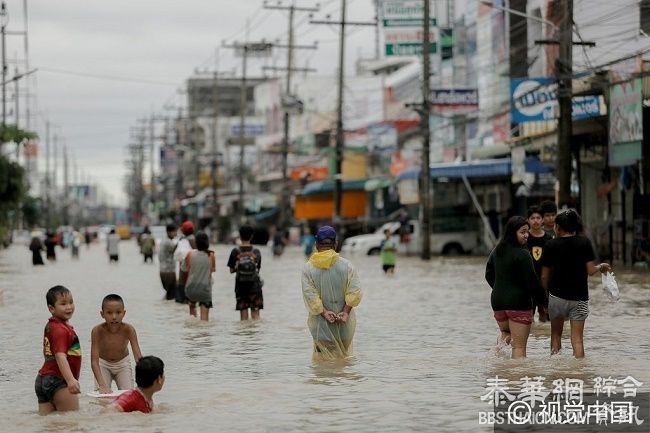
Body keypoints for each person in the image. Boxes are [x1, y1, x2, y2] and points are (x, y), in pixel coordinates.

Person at [541, 209, 611, 358]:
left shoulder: (550, 245)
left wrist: (545, 300)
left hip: (556, 297)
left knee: (555, 335)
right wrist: (601, 266)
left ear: (558, 227)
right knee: (578, 340)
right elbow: (591, 271)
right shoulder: (584, 242)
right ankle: (579, 372)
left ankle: (556, 370)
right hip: (580, 297)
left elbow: (544, 277)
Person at [485, 216, 547, 359]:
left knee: (506, 334)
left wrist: (501, 288)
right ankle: (517, 379)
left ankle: (494, 360)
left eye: (527, 232)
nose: (526, 235)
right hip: (519, 303)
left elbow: (488, 275)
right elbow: (532, 282)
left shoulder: (497, 251)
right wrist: (545, 303)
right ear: (513, 233)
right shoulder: (523, 254)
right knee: (518, 347)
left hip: (498, 303)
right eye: (522, 232)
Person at [301, 226, 362, 359]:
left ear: (316, 244)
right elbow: (355, 293)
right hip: (344, 326)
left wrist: (324, 312)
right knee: (342, 368)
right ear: (335, 244)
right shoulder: (347, 266)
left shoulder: (308, 268)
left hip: (321, 329)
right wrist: (345, 312)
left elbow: (311, 297)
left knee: (322, 370)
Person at [35, 285, 82, 415]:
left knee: (50, 425)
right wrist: (71, 380)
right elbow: (60, 356)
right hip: (58, 380)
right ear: (51, 308)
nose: (69, 307)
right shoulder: (60, 330)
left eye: (71, 302)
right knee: (72, 423)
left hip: (42, 379)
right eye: (63, 304)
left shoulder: (52, 325)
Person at [90, 294, 143, 394]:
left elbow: (138, 357)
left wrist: (144, 378)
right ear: (102, 314)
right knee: (102, 397)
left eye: (118, 312)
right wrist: (102, 385)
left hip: (122, 364)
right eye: (109, 313)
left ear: (124, 313)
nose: (114, 317)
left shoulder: (129, 330)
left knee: (129, 395)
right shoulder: (97, 331)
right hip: (103, 364)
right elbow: (94, 361)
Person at [228, 224, 263, 320]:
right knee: (256, 317)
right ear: (251, 236)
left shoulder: (235, 251)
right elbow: (258, 269)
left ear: (240, 236)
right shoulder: (256, 252)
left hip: (240, 287)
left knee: (243, 319)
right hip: (254, 287)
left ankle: (244, 335)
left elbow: (231, 270)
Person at [526, 206, 552, 322]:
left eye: (538, 218)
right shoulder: (525, 237)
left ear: (542, 220)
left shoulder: (549, 238)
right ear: (528, 220)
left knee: (544, 317)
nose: (535, 220)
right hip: (528, 283)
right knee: (528, 317)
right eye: (532, 218)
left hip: (544, 283)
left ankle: (542, 339)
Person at [183, 232, 216, 321]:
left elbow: (184, 269)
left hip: (191, 289)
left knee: (192, 318)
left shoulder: (190, 254)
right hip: (205, 290)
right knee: (204, 321)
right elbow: (212, 271)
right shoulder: (211, 255)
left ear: (196, 242)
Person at [173, 221, 197, 303]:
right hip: (192, 267)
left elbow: (174, 250)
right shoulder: (193, 239)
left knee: (181, 284)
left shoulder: (181, 240)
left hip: (182, 267)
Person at [159, 224, 178, 301]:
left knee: (169, 294)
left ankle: (164, 310)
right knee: (171, 295)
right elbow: (176, 250)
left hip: (163, 271)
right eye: (174, 232)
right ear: (169, 232)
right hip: (168, 271)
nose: (176, 234)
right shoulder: (168, 242)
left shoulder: (164, 241)